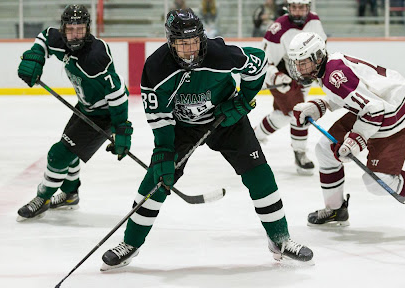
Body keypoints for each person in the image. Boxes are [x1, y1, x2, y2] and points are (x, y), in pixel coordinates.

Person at [100, 8, 313, 271]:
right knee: (156, 179)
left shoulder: (219, 53)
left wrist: (242, 101)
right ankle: (130, 243)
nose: (190, 49)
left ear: (201, 37)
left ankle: (280, 238)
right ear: (170, 43)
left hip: (225, 120)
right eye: (182, 44)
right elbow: (160, 116)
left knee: (259, 174)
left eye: (194, 42)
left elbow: (257, 61)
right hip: (181, 127)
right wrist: (164, 151)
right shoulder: (156, 68)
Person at [288, 32, 405, 226]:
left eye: (303, 62)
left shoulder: (334, 76)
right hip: (376, 108)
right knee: (325, 150)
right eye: (296, 63)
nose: (298, 68)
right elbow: (354, 96)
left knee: (377, 183)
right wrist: (321, 106)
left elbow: (374, 110)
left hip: (393, 114)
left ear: (317, 57)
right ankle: (336, 209)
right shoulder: (330, 66)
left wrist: (355, 140)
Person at [16, 5, 132, 221]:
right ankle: (70, 195)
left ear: (88, 29)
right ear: (64, 29)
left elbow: (116, 92)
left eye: (80, 29)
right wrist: (35, 56)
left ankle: (43, 198)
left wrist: (121, 128)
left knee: (58, 155)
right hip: (86, 107)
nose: (75, 34)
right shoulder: (61, 40)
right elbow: (43, 37)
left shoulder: (96, 55)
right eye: (71, 29)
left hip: (104, 113)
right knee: (70, 150)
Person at [253, 0, 326, 175]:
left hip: (306, 75)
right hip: (283, 78)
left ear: (308, 7)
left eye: (302, 7)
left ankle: (254, 136)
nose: (299, 11)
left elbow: (322, 48)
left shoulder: (314, 21)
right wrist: (277, 76)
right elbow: (264, 62)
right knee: (299, 113)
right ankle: (300, 153)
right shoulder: (277, 30)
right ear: (288, 7)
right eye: (295, 7)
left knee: (282, 115)